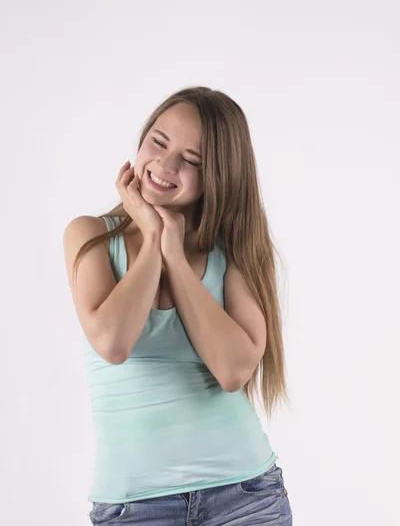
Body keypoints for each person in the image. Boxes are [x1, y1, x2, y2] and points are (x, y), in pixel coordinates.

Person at [63, 86, 293, 525]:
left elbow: (234, 371)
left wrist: (175, 257)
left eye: (192, 161)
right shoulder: (90, 237)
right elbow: (112, 342)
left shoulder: (232, 253)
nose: (165, 166)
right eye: (159, 142)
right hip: (133, 508)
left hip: (244, 495)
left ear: (219, 176)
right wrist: (151, 237)